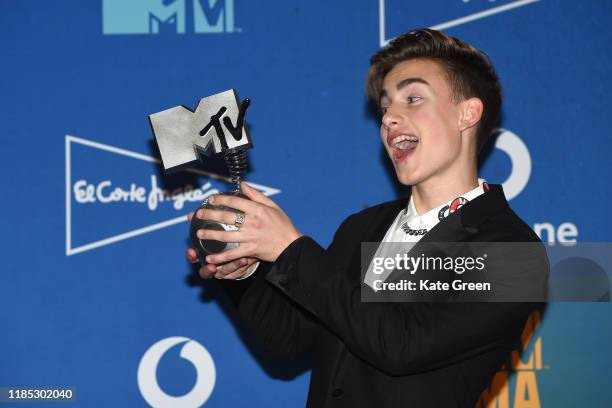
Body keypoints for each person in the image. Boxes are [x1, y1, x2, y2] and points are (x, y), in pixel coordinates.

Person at [186, 28, 548, 407]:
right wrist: (246, 272)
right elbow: (289, 340)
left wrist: (290, 249)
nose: (390, 117)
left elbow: (401, 345)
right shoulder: (363, 228)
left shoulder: (512, 250)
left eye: (413, 98)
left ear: (467, 113)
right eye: (385, 105)